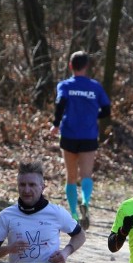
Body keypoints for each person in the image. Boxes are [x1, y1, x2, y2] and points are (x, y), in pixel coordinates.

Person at [51, 50, 111, 230]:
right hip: (89, 136)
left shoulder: (65, 85)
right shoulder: (95, 87)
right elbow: (107, 110)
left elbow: (60, 102)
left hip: (69, 134)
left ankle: (74, 214)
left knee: (70, 177)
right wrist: (94, 114)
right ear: (86, 67)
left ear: (70, 66)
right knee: (86, 174)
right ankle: (85, 201)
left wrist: (55, 124)